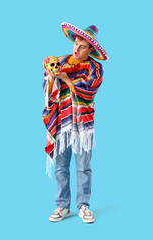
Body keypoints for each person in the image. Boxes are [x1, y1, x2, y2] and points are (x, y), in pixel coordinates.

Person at [42, 22, 109, 223]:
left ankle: (84, 206)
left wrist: (68, 80)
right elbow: (48, 92)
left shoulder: (95, 68)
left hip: (83, 125)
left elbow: (89, 91)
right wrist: (53, 77)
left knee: (83, 167)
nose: (77, 49)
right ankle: (62, 206)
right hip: (62, 121)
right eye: (76, 43)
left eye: (82, 46)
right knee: (61, 166)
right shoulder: (61, 62)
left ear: (91, 50)